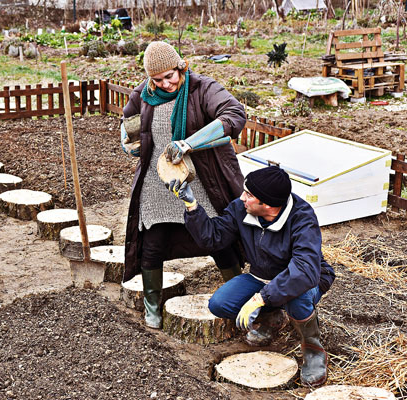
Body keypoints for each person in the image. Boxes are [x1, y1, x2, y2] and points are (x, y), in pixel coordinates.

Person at [167, 166, 335, 387]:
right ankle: (272, 318)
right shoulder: (241, 209)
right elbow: (213, 238)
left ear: (267, 204)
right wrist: (192, 206)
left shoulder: (302, 217)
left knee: (297, 296)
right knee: (219, 304)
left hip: (306, 281)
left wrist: (260, 298)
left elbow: (304, 271)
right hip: (262, 277)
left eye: (249, 194)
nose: (242, 197)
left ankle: (313, 350)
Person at [120, 41, 247, 329]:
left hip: (201, 177)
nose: (166, 84)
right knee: (153, 244)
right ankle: (153, 306)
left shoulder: (203, 88)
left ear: (181, 66)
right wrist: (127, 142)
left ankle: (241, 300)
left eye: (170, 76)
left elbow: (234, 115)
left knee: (219, 240)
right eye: (158, 79)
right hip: (157, 181)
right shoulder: (143, 94)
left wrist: (189, 143)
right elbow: (127, 122)